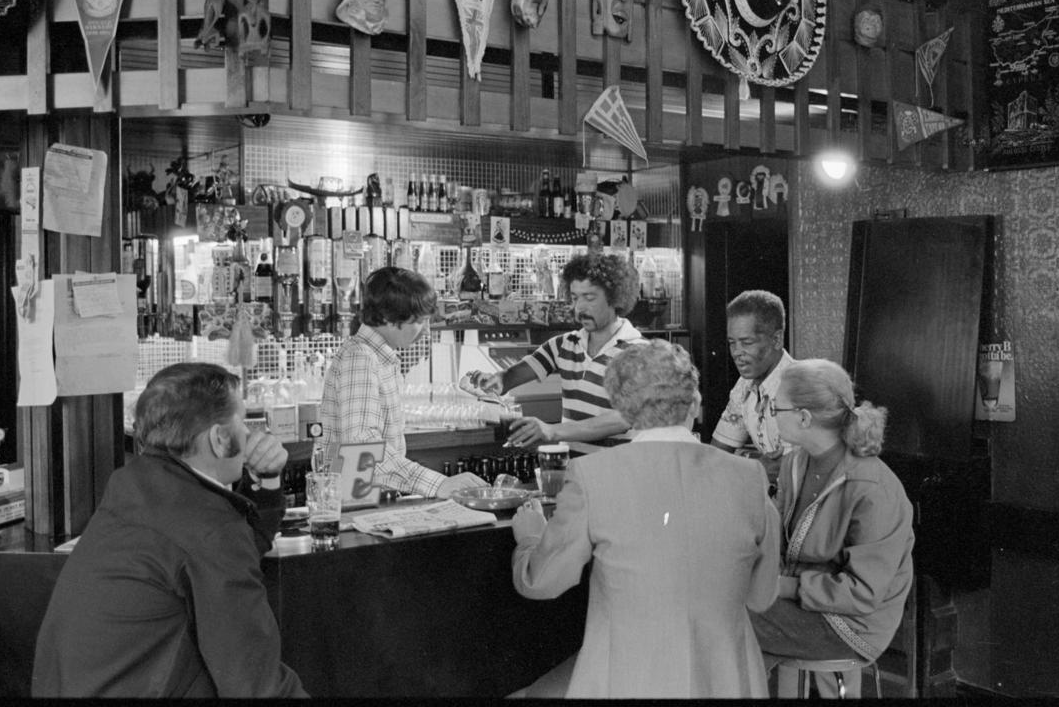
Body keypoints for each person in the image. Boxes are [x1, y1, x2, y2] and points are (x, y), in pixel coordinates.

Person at [510, 340, 781, 698]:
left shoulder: (591, 476)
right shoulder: (749, 477)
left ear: (622, 408)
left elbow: (543, 582)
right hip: (726, 678)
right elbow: (762, 597)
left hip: (627, 675)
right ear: (695, 404)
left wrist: (529, 539)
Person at [32, 362, 307, 698]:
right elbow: (253, 681)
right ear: (220, 439)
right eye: (243, 420)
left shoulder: (134, 486)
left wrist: (267, 478)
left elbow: (237, 547)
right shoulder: (206, 527)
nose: (250, 435)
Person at [749, 358, 914, 698]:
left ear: (804, 417)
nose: (771, 414)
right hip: (806, 605)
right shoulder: (795, 462)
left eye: (776, 407)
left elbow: (863, 593)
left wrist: (781, 587)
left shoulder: (872, 487)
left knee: (725, 621)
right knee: (722, 614)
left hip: (851, 625)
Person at [319, 266, 486, 497]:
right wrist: (437, 484)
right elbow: (363, 448)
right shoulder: (362, 357)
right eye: (419, 321)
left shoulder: (378, 356)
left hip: (366, 499)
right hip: (356, 503)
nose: (426, 332)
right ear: (389, 318)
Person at [471, 252, 646, 448]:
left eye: (589, 298)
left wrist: (552, 431)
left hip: (616, 474)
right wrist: (495, 381)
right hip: (572, 472)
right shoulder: (564, 344)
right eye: (574, 298)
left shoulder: (638, 353)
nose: (579, 307)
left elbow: (624, 417)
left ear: (616, 299)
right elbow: (510, 378)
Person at [710, 289, 795, 486]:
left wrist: (750, 469)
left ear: (776, 339)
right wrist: (756, 468)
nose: (737, 353)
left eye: (747, 343)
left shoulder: (798, 387)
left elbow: (790, 469)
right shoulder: (744, 386)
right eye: (732, 343)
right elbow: (716, 456)